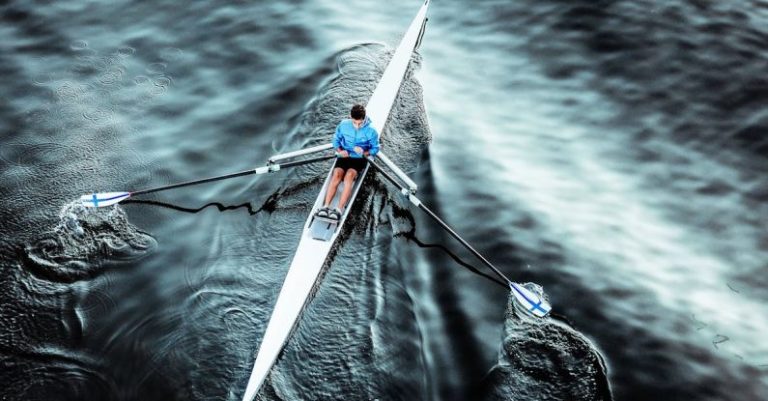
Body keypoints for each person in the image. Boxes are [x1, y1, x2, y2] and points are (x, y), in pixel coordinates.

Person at [316, 104, 379, 220]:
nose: (357, 126)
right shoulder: (343, 124)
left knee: (348, 176)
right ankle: (325, 207)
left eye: (360, 123)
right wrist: (340, 150)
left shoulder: (372, 130)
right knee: (336, 175)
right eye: (354, 123)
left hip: (359, 158)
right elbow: (336, 140)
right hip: (344, 155)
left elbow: (375, 149)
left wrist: (364, 152)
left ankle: (339, 210)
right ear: (350, 117)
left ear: (364, 118)